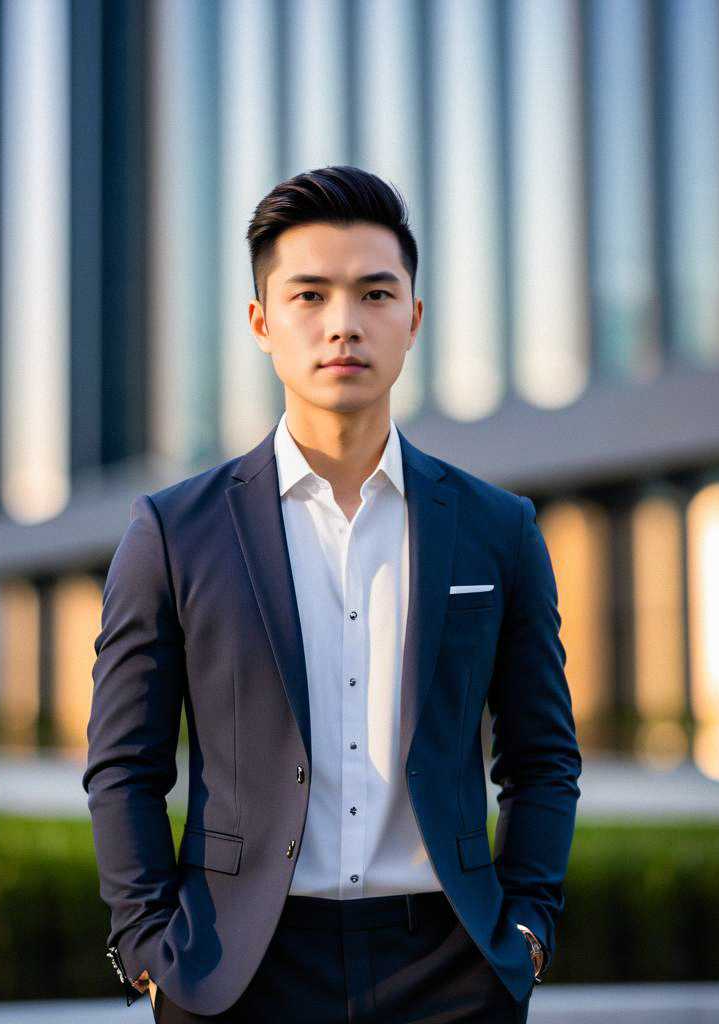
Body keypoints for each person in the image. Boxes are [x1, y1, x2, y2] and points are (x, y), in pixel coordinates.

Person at [83, 165, 582, 1024]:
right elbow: (124, 763)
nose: (343, 325)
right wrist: (146, 946)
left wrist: (528, 925)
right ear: (261, 322)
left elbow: (542, 757)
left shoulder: (500, 530)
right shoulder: (173, 531)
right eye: (309, 295)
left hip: (453, 969)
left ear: (414, 318)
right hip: (236, 969)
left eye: (375, 294)